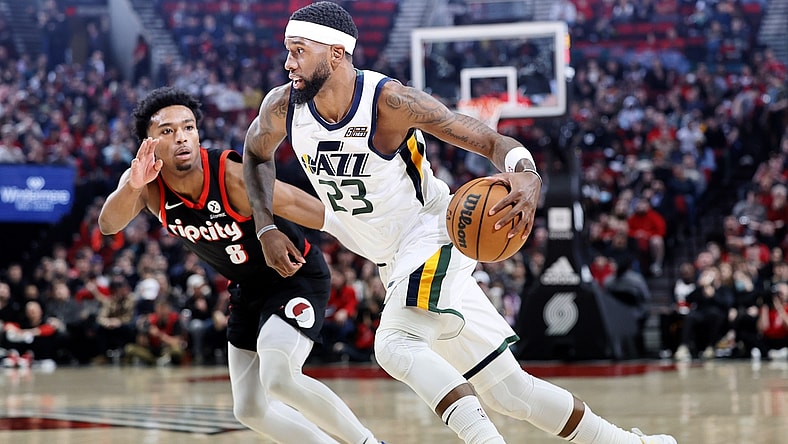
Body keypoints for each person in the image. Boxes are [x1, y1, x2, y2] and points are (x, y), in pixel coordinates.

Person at [242, 2, 677, 443]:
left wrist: (526, 172)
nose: (288, 62)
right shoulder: (283, 106)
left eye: (298, 50)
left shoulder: (389, 103)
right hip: (391, 259)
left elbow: (490, 139)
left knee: (394, 345)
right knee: (512, 393)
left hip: (431, 234)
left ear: (336, 53)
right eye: (288, 50)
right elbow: (256, 155)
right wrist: (265, 227)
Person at [98, 87, 381, 443]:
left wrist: (379, 250)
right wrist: (132, 186)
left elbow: (306, 207)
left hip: (294, 276)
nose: (181, 137)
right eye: (167, 131)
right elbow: (108, 224)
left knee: (280, 378)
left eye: (188, 127)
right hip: (247, 290)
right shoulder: (145, 183)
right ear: (148, 143)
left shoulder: (230, 176)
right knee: (249, 409)